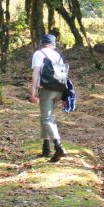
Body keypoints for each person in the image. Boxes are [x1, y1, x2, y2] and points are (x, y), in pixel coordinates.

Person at [30, 33, 67, 162]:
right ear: (53, 44)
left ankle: (58, 146)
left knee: (46, 118)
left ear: (42, 43)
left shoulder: (38, 54)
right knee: (46, 117)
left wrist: (33, 90)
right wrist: (65, 96)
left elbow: (36, 72)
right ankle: (46, 147)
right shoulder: (57, 55)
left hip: (46, 90)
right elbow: (64, 75)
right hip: (59, 91)